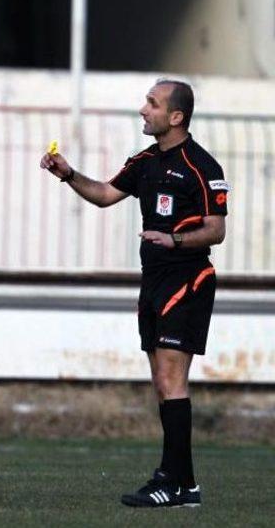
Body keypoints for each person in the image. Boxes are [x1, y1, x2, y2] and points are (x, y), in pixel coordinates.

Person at [40, 79, 228, 508]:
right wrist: (67, 174)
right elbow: (106, 194)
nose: (143, 110)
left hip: (188, 281)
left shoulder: (202, 167)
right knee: (161, 385)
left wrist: (175, 242)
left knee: (171, 379)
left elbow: (216, 230)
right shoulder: (145, 162)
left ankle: (171, 481)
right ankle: (184, 484)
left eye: (152, 103)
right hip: (154, 282)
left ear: (176, 117)